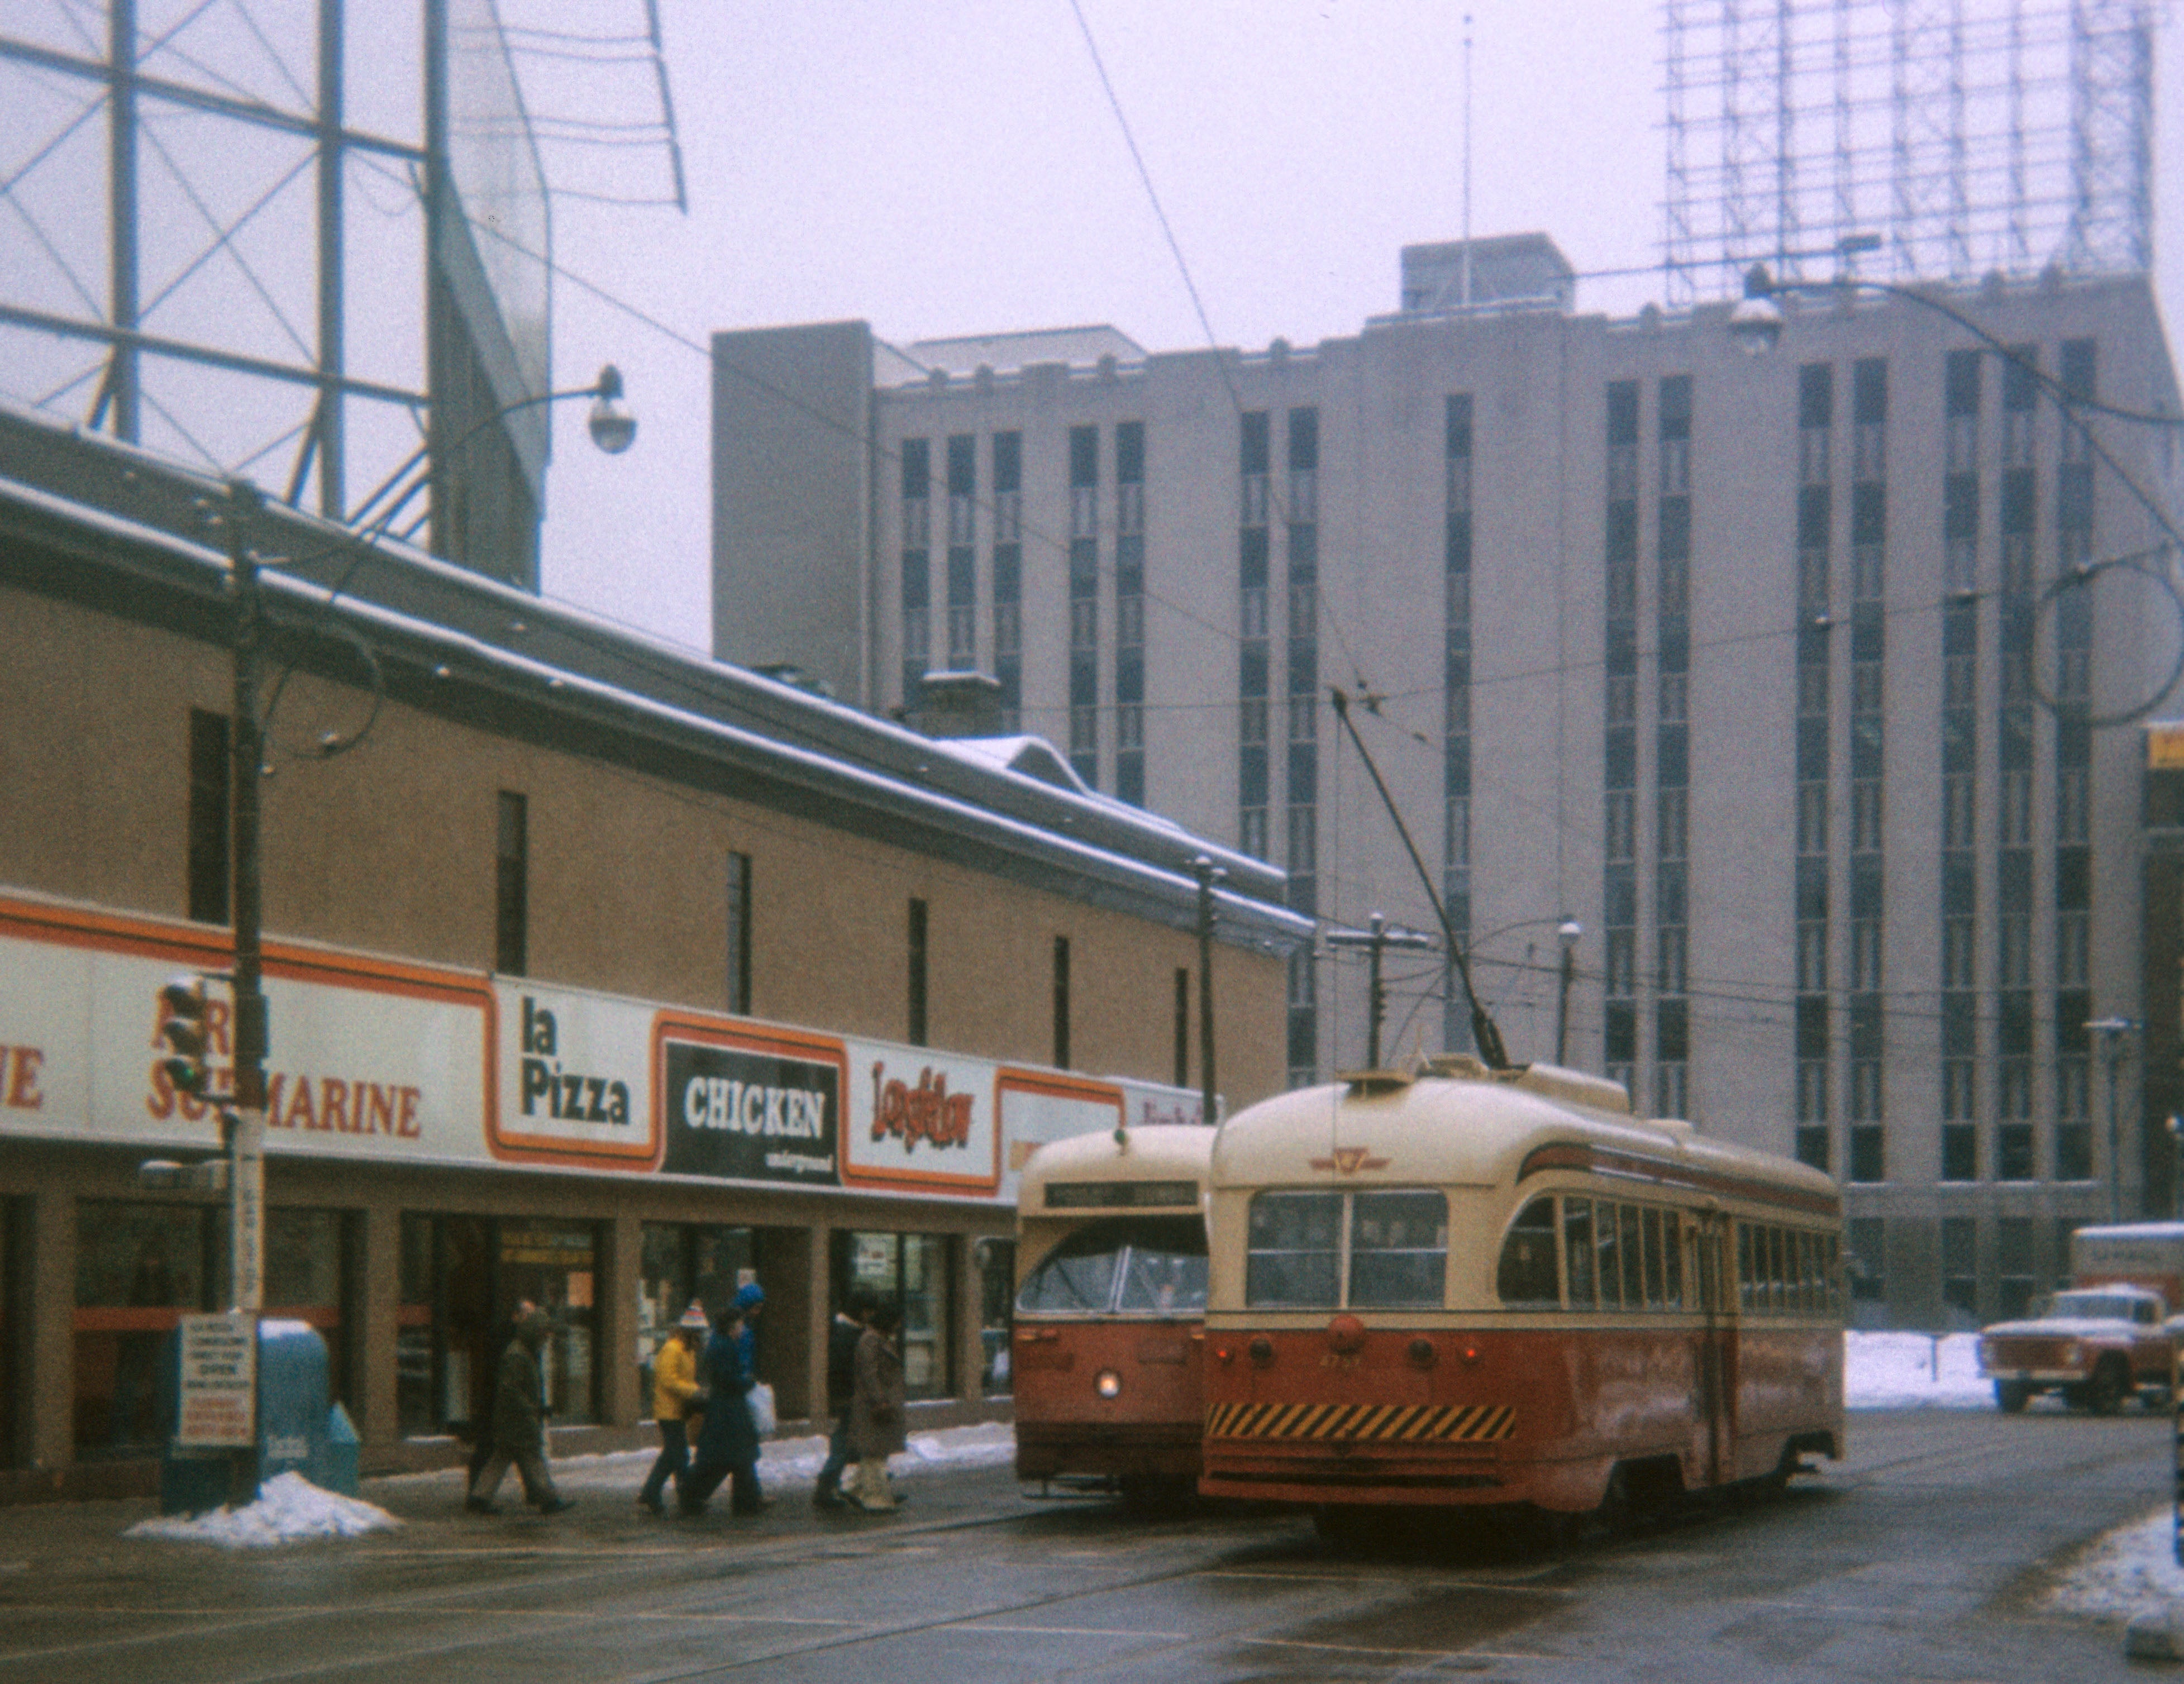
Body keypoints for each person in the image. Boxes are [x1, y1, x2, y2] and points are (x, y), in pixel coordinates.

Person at [468, 1305, 574, 1515]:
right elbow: (511, 1389)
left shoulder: (523, 1351)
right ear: (535, 1331)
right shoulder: (519, 1355)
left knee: (501, 1459)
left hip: (513, 1419)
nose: (546, 1338)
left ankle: (479, 1498)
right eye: (544, 1333)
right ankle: (548, 1499)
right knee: (532, 1458)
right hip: (517, 1420)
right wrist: (529, 1410)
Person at [679, 1305, 767, 1516]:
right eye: (739, 1325)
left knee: (731, 1458)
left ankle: (746, 1499)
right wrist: (746, 1383)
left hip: (727, 1409)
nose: (742, 1329)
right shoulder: (724, 1346)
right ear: (731, 1326)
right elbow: (727, 1378)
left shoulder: (721, 1344)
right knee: (733, 1457)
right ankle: (744, 1500)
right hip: (728, 1410)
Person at [637, 1302, 708, 1515]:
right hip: (668, 1412)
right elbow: (668, 1380)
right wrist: (693, 1391)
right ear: (690, 1332)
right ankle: (687, 1498)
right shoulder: (672, 1349)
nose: (701, 1339)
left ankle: (651, 1492)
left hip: (678, 1411)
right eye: (698, 1334)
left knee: (672, 1455)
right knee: (680, 1457)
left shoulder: (688, 1350)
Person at [847, 1300, 908, 1513]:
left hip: (877, 1403)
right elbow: (869, 1373)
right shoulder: (871, 1341)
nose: (899, 1326)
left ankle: (854, 1488)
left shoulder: (877, 1339)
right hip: (873, 1406)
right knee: (873, 1454)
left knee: (876, 1453)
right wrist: (879, 1399)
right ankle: (877, 1499)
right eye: (897, 1322)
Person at [812, 1294, 870, 1510]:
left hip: (847, 1394)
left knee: (847, 1440)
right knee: (845, 1441)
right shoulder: (847, 1334)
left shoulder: (845, 1331)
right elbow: (844, 1368)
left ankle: (860, 1485)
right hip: (849, 1395)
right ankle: (832, 1487)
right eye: (868, 1310)